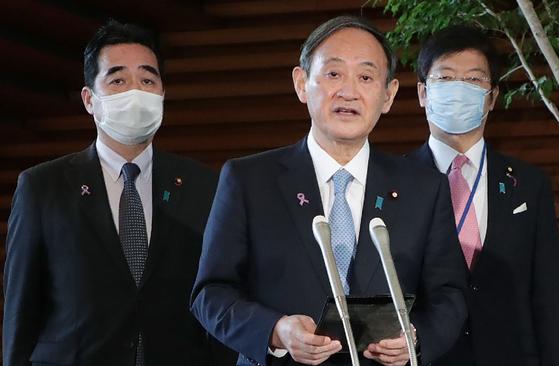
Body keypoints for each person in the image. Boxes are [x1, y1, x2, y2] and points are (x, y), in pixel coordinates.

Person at [190, 15, 467, 366]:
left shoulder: (423, 187)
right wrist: (276, 330)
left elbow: (449, 296)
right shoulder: (248, 180)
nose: (348, 91)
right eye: (333, 74)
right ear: (301, 83)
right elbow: (210, 293)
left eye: (366, 77)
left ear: (389, 95)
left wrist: (417, 338)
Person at [3, 19, 236, 366]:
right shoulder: (42, 187)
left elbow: (219, 295)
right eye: (117, 80)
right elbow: (20, 311)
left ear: (161, 95)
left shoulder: (204, 184)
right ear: (89, 99)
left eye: (147, 79)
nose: (135, 92)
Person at [407, 25, 559, 365]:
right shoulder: (395, 184)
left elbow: (550, 298)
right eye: (445, 79)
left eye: (473, 80)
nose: (459, 90)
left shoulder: (528, 185)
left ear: (493, 96)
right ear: (423, 93)